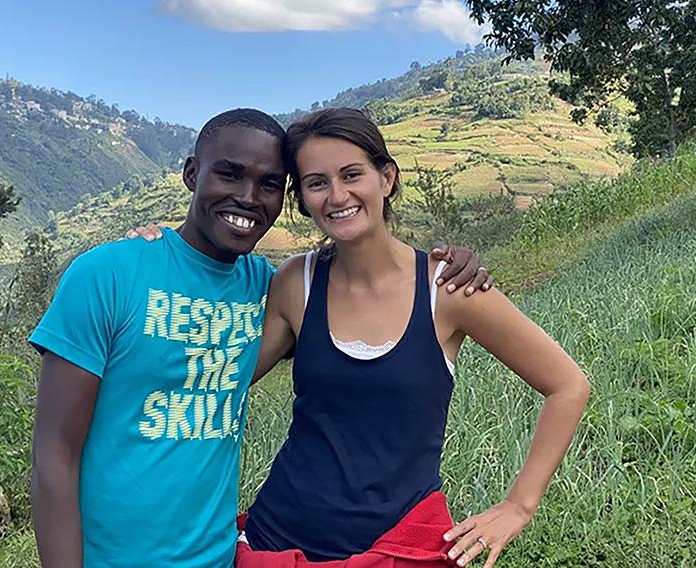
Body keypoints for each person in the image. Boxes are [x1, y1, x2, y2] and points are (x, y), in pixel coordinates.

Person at [30, 108, 491, 568]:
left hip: (221, 556)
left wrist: (448, 268)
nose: (248, 197)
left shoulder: (267, 288)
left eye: (269, 184)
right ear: (192, 173)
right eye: (229, 174)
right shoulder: (106, 275)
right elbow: (55, 458)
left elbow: (358, 333)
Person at [131, 108, 590, 568]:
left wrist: (518, 506)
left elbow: (567, 385)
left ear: (386, 178)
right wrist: (163, 257)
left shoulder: (448, 290)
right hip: (277, 542)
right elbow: (217, 375)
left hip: (396, 550)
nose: (337, 196)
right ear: (303, 198)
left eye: (352, 174)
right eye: (316, 182)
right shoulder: (296, 282)